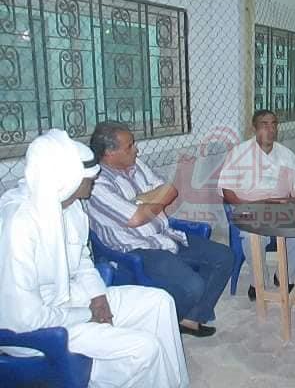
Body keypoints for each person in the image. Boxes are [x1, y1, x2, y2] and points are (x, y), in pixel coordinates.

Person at [0, 129, 189, 387]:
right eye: (89, 177)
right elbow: (24, 318)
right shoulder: (19, 225)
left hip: (73, 299)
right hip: (40, 329)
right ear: (67, 179)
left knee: (160, 302)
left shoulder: (70, 207)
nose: (95, 179)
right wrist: (86, 314)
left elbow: (82, 260)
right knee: (144, 349)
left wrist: (98, 297)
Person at [85, 121, 233, 337]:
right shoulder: (97, 184)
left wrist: (136, 201)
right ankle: (162, 324)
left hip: (164, 234)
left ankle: (190, 319)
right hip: (135, 249)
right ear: (109, 153)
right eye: (130, 146)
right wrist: (150, 202)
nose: (136, 149)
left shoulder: (136, 165)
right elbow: (136, 218)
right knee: (192, 286)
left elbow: (170, 190)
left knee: (224, 256)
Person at [218, 109, 295, 300]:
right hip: (249, 208)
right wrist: (246, 206)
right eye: (264, 124)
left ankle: (284, 277)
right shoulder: (239, 153)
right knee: (252, 235)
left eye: (274, 124)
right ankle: (258, 282)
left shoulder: (287, 155)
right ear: (254, 128)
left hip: (281, 210)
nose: (270, 129)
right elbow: (227, 191)